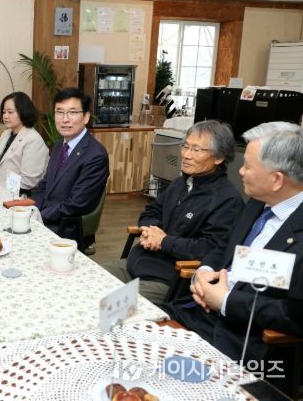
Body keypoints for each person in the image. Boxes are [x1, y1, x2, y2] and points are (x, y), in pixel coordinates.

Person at [164, 121, 303, 364]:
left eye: (248, 166)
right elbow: (224, 246)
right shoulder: (258, 202)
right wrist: (205, 271)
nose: (240, 171)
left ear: (277, 180)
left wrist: (226, 301)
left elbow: (295, 314)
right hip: (198, 313)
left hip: (243, 340)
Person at [101, 120, 244, 304]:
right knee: (84, 280)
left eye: (196, 150)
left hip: (169, 279)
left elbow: (209, 249)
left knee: (109, 308)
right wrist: (152, 231)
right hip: (137, 263)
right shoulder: (180, 183)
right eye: (185, 146)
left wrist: (164, 241)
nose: (186, 155)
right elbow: (150, 211)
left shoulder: (227, 199)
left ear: (219, 158)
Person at [31, 88, 109, 244]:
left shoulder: (95, 155)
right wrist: (31, 209)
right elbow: (45, 185)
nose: (64, 119)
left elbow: (75, 204)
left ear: (86, 117)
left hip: (66, 228)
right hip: (46, 218)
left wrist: (38, 216)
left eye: (72, 112)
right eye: (59, 112)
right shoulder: (59, 145)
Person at [0, 91, 48, 196]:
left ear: (23, 112)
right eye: (4, 112)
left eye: (10, 112)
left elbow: (28, 181)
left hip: (18, 196)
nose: (5, 116)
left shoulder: (33, 140)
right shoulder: (6, 134)